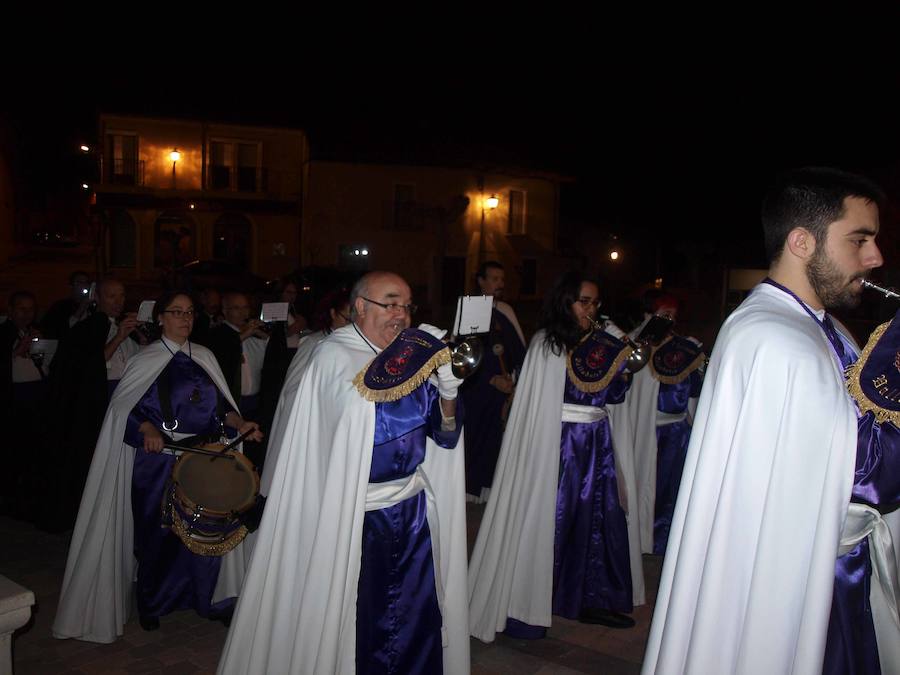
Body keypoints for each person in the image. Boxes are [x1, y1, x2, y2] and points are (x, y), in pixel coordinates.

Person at [642, 167, 888, 674]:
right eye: (859, 240)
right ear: (802, 242)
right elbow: (857, 473)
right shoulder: (775, 338)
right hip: (797, 581)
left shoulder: (822, 326)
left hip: (830, 568)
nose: (875, 257)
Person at [218, 271, 469, 674]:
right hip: (357, 514)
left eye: (407, 306)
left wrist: (449, 392)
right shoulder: (333, 355)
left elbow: (445, 437)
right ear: (360, 307)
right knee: (363, 616)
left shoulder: (411, 360)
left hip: (411, 510)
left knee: (414, 609)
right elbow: (357, 424)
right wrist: (407, 366)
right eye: (391, 303)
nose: (401, 315)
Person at [52, 290, 262, 643]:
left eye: (190, 312)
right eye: (176, 312)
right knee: (157, 534)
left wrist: (240, 423)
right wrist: (146, 428)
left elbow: (221, 409)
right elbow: (123, 409)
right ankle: (152, 602)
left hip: (204, 460)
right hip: (158, 464)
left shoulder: (205, 356)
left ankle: (205, 598)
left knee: (207, 532)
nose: (185, 318)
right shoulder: (145, 360)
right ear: (160, 318)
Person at [468, 270, 639, 643]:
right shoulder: (548, 344)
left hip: (596, 444)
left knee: (597, 519)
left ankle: (589, 597)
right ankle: (527, 605)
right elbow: (540, 400)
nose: (590, 309)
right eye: (583, 301)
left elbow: (611, 396)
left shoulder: (601, 342)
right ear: (566, 302)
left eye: (595, 302)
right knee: (552, 519)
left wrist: (620, 366)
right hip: (558, 445)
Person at [38, 278, 141, 531]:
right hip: (94, 405)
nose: (118, 301)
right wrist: (118, 337)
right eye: (111, 296)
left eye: (121, 295)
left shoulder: (125, 328)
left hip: (122, 402)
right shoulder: (87, 328)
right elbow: (87, 367)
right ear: (97, 298)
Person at [616, 294, 705, 555]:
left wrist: (697, 368)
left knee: (672, 490)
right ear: (649, 315)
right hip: (646, 430)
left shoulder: (684, 347)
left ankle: (667, 541)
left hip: (677, 432)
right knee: (645, 486)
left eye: (673, 316)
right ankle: (641, 537)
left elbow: (694, 391)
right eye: (665, 315)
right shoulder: (633, 346)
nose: (670, 321)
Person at [461, 261, 527, 502]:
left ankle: (494, 490)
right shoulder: (471, 308)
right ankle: (472, 490)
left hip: (505, 386)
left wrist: (513, 378)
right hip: (479, 388)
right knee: (478, 436)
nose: (500, 284)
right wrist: (490, 378)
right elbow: (465, 352)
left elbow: (518, 349)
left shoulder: (505, 310)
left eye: (502, 279)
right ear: (481, 280)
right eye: (494, 278)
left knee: (498, 440)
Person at [40, 270, 92, 340]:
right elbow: (58, 331)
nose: (83, 285)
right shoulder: (60, 306)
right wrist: (80, 309)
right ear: (71, 286)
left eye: (86, 282)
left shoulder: (93, 306)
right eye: (79, 282)